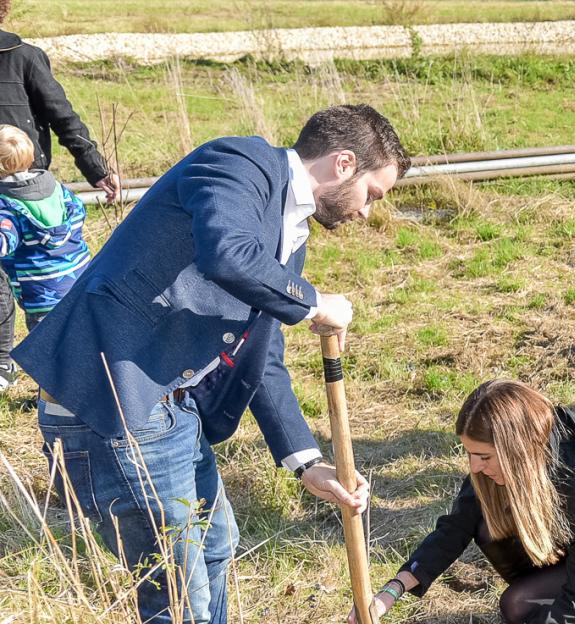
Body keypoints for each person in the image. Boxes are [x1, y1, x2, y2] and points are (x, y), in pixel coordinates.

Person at [18, 104, 405, 623]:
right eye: (372, 194)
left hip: (169, 410)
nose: (366, 212)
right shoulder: (237, 163)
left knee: (217, 551)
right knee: (178, 597)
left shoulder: (291, 229)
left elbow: (262, 353)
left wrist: (306, 462)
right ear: (342, 163)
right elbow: (228, 252)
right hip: (110, 402)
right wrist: (312, 302)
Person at [353, 381, 575, 624]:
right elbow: (454, 528)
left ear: (516, 448)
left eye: (483, 456)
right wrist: (391, 592)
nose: (474, 466)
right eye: (470, 454)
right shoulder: (525, 450)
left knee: (518, 605)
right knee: (487, 523)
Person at [0, 8, 122, 387]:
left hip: (17, 188)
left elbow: (63, 117)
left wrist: (97, 168)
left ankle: (11, 363)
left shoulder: (23, 57)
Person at [0, 125, 89, 331]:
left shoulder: (6, 204)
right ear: (30, 157)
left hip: (41, 296)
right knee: (79, 339)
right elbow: (79, 212)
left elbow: (5, 240)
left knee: (44, 353)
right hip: (79, 280)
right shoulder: (55, 188)